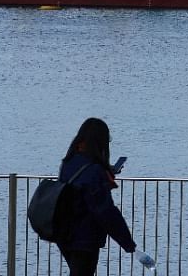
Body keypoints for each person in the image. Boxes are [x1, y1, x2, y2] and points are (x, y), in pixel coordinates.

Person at [57, 117, 154, 275]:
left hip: (64, 233)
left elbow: (81, 180)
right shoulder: (95, 171)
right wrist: (128, 243)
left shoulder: (69, 162)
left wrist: (105, 172)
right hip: (84, 237)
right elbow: (105, 211)